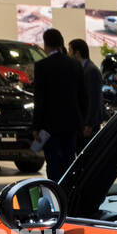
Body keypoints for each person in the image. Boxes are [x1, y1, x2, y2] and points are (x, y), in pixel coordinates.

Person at [30, 28, 87, 180]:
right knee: (69, 161)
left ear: (46, 45)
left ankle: (56, 193)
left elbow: (40, 99)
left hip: (50, 125)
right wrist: (82, 121)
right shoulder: (75, 65)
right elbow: (82, 96)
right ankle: (69, 194)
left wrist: (36, 126)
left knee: (53, 163)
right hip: (72, 124)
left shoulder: (42, 66)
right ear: (61, 43)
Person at [68, 38, 103, 150]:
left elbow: (94, 99)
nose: (68, 54)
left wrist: (89, 124)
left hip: (88, 126)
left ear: (77, 53)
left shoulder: (91, 70)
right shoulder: (81, 69)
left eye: (70, 51)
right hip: (83, 123)